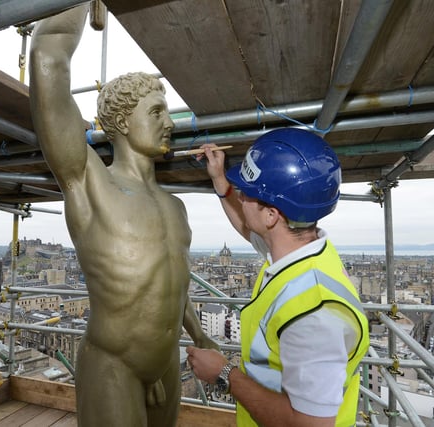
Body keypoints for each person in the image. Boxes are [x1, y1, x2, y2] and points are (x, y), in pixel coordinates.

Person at [28, 5, 218, 426]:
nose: (170, 123)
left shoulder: (175, 206)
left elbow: (173, 281)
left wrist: (200, 334)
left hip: (167, 363)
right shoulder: (88, 179)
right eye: (156, 112)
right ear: (122, 122)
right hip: (113, 365)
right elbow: (47, 57)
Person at [186, 128, 370, 427]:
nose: (241, 197)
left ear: (272, 215)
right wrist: (220, 179)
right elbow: (249, 228)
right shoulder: (304, 253)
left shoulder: (315, 315)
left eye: (247, 192)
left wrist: (223, 374)